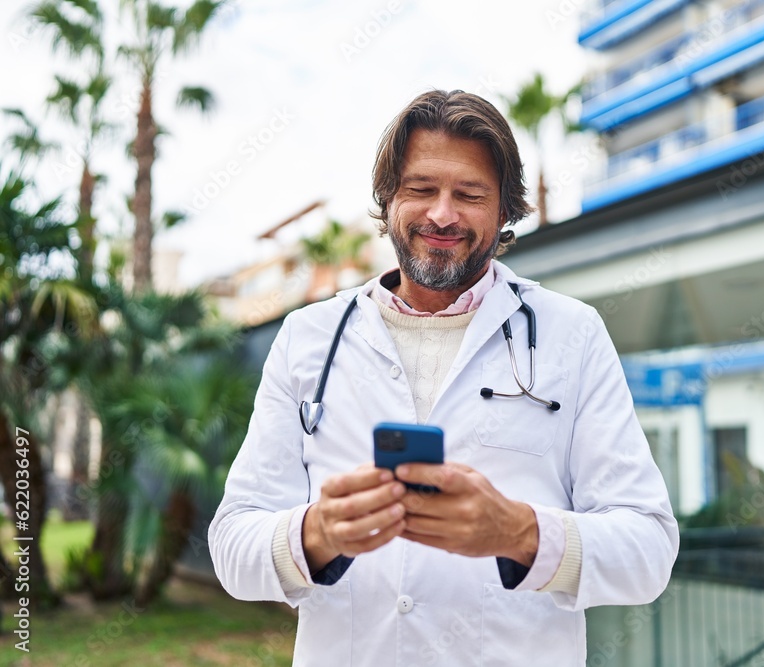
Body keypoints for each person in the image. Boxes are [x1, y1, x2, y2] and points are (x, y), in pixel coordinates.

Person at [209, 89, 679, 666]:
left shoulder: (573, 334)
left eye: (470, 194)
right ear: (387, 200)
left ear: (505, 210)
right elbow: (232, 544)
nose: (442, 214)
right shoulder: (308, 337)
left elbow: (649, 549)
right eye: (421, 190)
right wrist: (317, 534)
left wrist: (520, 533)